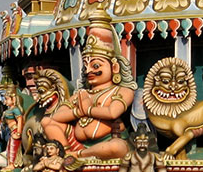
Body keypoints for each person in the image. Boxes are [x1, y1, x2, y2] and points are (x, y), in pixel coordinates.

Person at [42, 10, 137, 160]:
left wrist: (88, 109)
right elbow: (56, 117)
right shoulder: (82, 94)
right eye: (86, 66)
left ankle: (79, 156)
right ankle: (66, 154)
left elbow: (113, 112)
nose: (89, 71)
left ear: (115, 67)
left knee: (116, 147)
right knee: (47, 122)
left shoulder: (123, 90)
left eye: (96, 65)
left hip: (106, 143)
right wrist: (78, 113)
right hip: (76, 143)